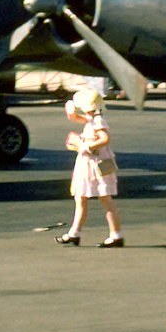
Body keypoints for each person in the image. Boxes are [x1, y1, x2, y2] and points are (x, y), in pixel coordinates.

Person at [55, 88, 124, 248]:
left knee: (104, 198)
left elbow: (105, 139)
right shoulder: (91, 118)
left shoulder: (98, 120)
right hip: (90, 162)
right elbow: (74, 118)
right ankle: (75, 233)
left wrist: (86, 145)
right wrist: (70, 109)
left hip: (96, 162)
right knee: (82, 197)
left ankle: (115, 235)